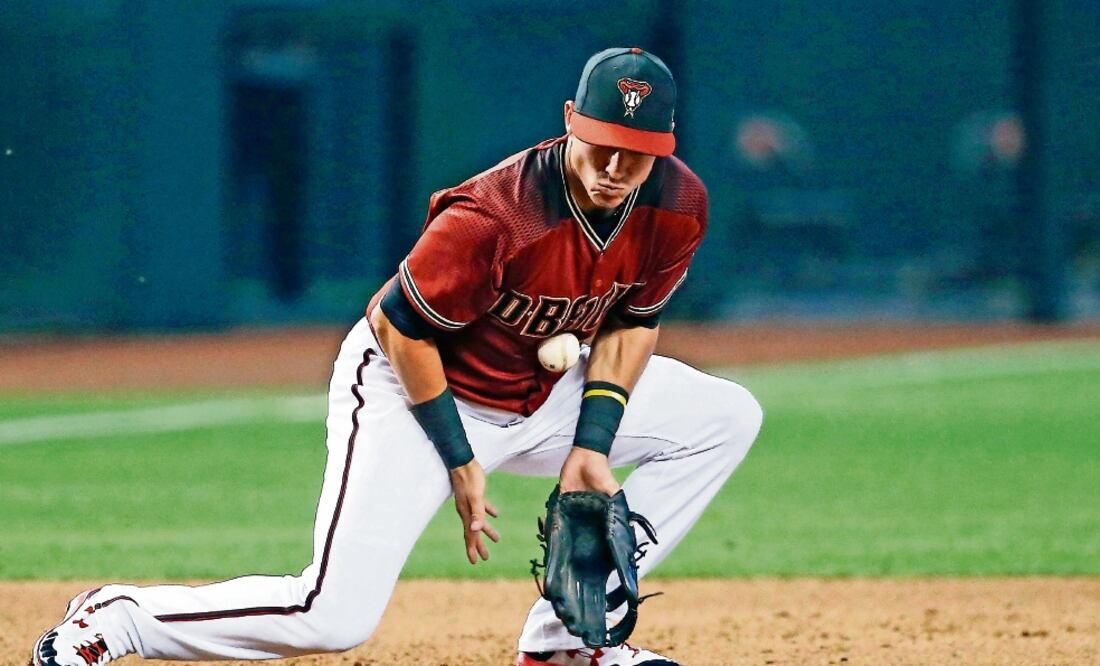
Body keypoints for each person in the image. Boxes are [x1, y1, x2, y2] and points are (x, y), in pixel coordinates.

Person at [31, 47, 763, 666]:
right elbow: (400, 327)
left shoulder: (678, 205)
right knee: (332, 616)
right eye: (601, 139)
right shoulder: (496, 216)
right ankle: (120, 616)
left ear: (665, 146)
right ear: (569, 120)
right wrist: (459, 460)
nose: (614, 164)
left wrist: (592, 446)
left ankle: (567, 645)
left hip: (544, 396)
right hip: (414, 393)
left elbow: (633, 323)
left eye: (636, 153)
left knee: (727, 415)